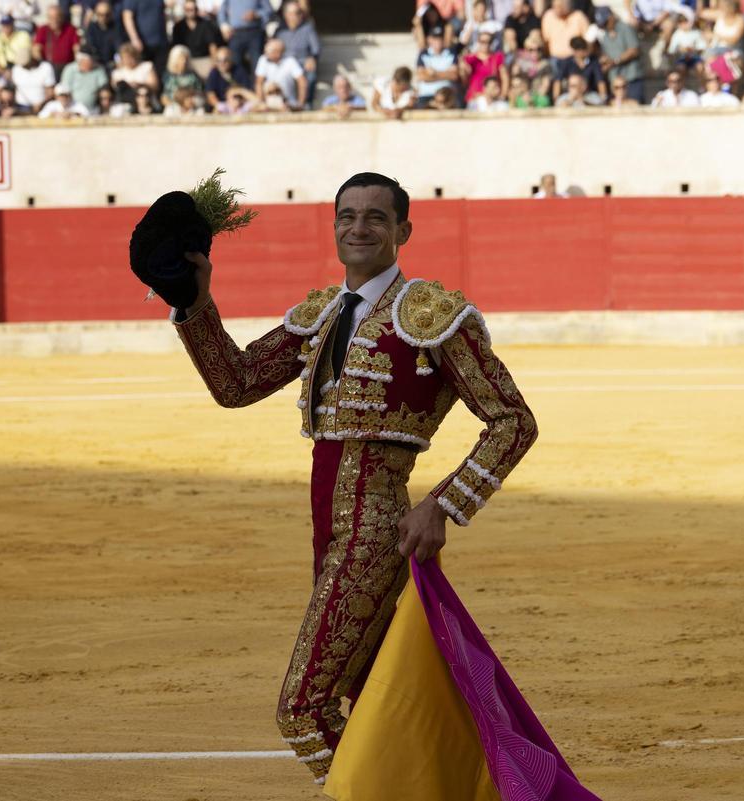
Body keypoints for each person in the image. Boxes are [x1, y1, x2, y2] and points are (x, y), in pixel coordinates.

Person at [160, 172, 546, 792]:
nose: (358, 227)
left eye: (375, 217)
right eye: (347, 216)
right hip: (326, 527)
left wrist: (442, 506)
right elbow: (234, 384)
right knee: (366, 693)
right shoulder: (319, 315)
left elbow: (513, 422)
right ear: (334, 226)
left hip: (375, 528)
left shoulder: (434, 316)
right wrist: (196, 300)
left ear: (403, 232)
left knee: (303, 710)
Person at [273, 1, 320, 104]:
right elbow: (273, 48)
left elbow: (316, 48)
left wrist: (312, 57)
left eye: (298, 13)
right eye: (291, 13)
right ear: (285, 15)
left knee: (311, 76)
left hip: (302, 62)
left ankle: (306, 104)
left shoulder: (308, 28)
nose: (295, 16)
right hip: (284, 63)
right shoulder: (279, 31)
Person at [596, 6, 643, 102]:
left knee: (634, 108)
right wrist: (605, 62)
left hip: (631, 78)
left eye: (605, 22)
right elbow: (606, 54)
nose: (604, 26)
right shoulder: (605, 35)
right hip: (615, 81)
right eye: (602, 24)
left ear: (611, 17)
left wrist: (615, 61)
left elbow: (634, 50)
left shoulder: (625, 28)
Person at [219, 0, 273, 73]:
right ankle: (238, 84)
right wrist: (224, 27)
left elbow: (269, 11)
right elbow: (221, 12)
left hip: (255, 32)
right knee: (235, 63)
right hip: (235, 34)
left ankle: (256, 84)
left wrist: (256, 14)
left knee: (257, 64)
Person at [173, 0, 225, 74]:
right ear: (184, 10)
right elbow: (177, 48)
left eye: (192, 9)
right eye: (187, 10)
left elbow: (212, 46)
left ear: (196, 9)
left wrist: (214, 63)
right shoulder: (178, 27)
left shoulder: (206, 25)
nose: (190, 12)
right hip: (185, 61)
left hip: (204, 59)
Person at [254, 38, 307, 110]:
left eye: (269, 51)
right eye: (266, 51)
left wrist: (301, 103)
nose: (266, 53)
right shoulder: (263, 59)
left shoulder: (290, 61)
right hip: (268, 103)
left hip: (289, 103)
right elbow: (259, 82)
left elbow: (302, 82)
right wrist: (261, 103)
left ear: (278, 53)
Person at [122, 0, 170, 76]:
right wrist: (134, 39)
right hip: (143, 44)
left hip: (161, 43)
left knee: (162, 74)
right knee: (145, 75)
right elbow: (127, 17)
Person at [461, 29, 508, 103]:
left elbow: (504, 77)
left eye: (488, 42)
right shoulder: (470, 59)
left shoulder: (497, 57)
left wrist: (503, 95)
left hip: (493, 97)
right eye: (482, 42)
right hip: (475, 97)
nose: (486, 44)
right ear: (478, 42)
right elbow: (464, 79)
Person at [416, 27, 459, 105]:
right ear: (429, 39)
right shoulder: (423, 54)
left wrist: (434, 73)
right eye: (435, 38)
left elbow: (454, 75)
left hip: (447, 94)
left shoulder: (451, 53)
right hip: (427, 94)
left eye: (440, 38)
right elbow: (421, 76)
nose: (438, 41)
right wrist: (446, 74)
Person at [61, 47, 109, 113]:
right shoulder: (69, 70)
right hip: (73, 110)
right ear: (82, 60)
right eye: (91, 60)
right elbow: (65, 90)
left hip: (93, 110)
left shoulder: (99, 70)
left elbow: (104, 88)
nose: (94, 62)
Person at [34, 4, 79, 74]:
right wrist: (42, 67)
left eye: (57, 17)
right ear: (47, 18)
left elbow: (76, 48)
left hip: (67, 67)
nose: (54, 20)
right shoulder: (43, 30)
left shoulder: (71, 29)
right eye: (51, 17)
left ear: (61, 17)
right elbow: (36, 49)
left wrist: (75, 66)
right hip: (49, 68)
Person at [84, 0, 124, 68]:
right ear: (96, 14)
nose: (104, 18)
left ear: (111, 14)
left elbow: (118, 47)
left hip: (112, 63)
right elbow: (90, 46)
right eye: (100, 14)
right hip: (95, 63)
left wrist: (117, 61)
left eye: (107, 15)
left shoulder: (116, 28)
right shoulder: (91, 28)